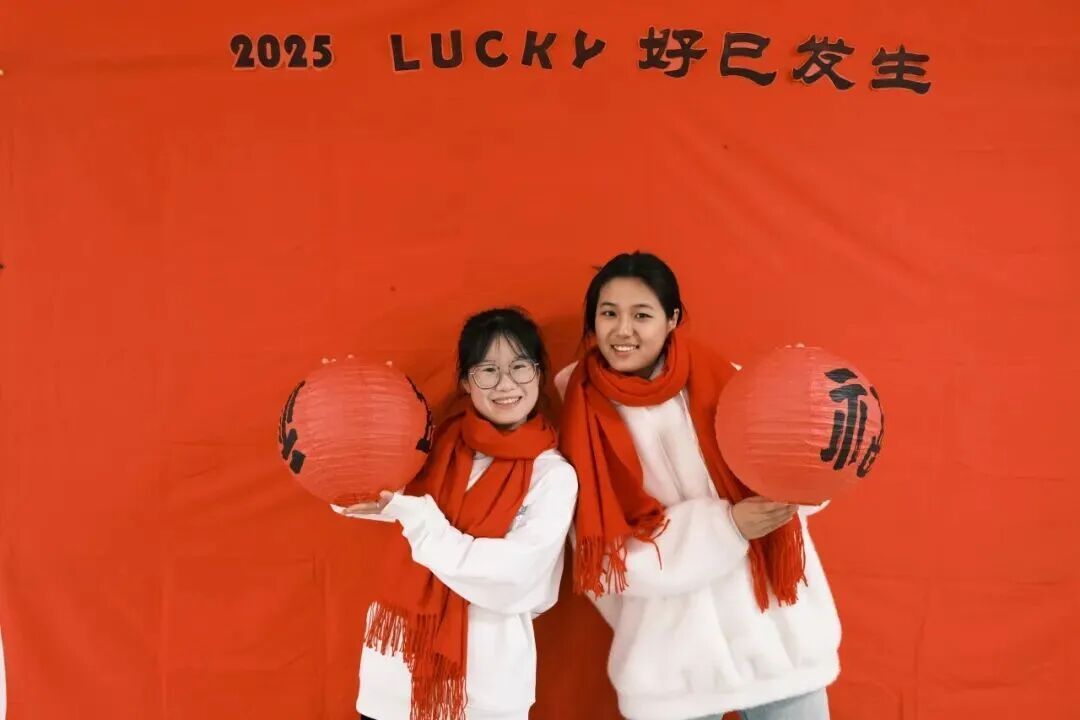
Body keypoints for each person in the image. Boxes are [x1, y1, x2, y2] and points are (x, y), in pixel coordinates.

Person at [556, 252, 840, 720]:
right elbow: (610, 564)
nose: (623, 330)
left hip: (780, 644)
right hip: (673, 668)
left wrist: (806, 441)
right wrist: (727, 527)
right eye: (609, 314)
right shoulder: (578, 422)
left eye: (641, 315)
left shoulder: (733, 383)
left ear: (672, 319)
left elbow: (796, 482)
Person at [339, 307, 579, 720]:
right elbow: (355, 493)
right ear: (467, 381)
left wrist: (419, 518)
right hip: (393, 680)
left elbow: (513, 576)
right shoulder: (432, 445)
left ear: (539, 374)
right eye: (488, 370)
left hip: (486, 692)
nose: (506, 384)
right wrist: (352, 409)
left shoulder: (553, 476)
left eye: (520, 366)